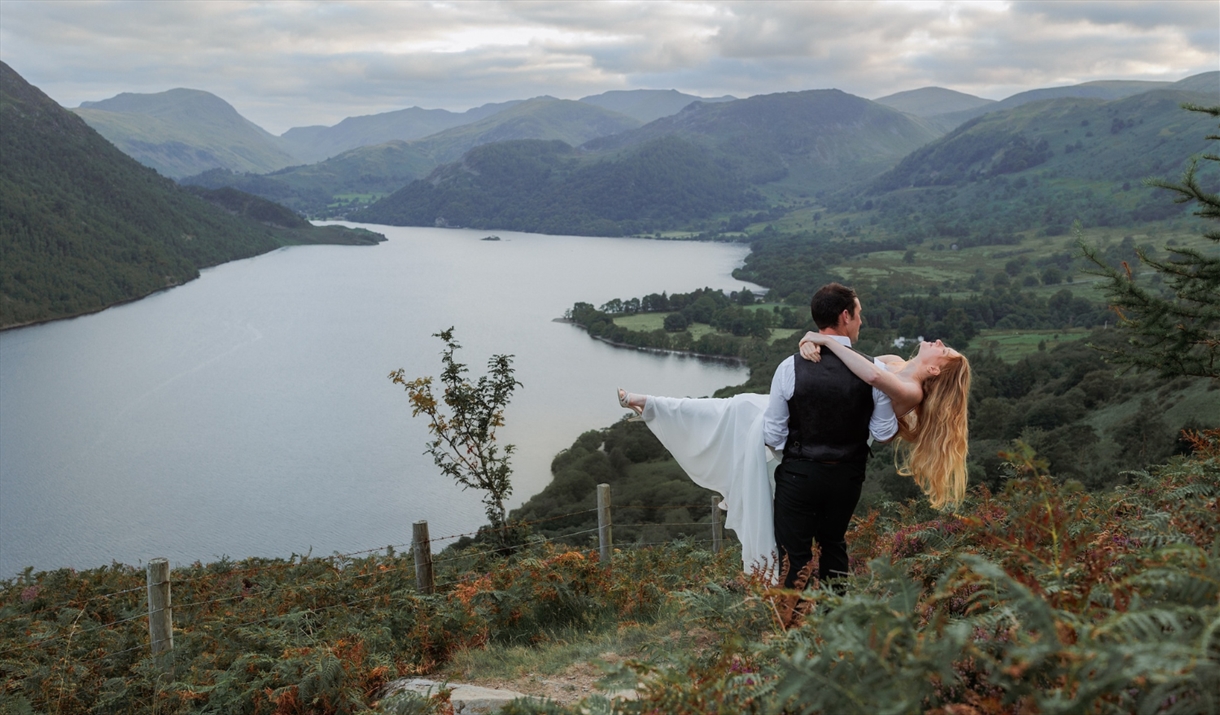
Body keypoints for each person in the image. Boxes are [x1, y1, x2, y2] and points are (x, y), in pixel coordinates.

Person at [619, 283, 971, 586]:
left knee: (739, 418)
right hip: (846, 468)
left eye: (944, 349)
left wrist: (819, 341)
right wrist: (823, 344)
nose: (939, 341)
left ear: (936, 368)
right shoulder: (886, 362)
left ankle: (792, 618)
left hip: (802, 461)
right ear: (846, 317)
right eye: (859, 314)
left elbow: (783, 431)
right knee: (832, 541)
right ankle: (835, 616)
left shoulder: (897, 385)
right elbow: (874, 409)